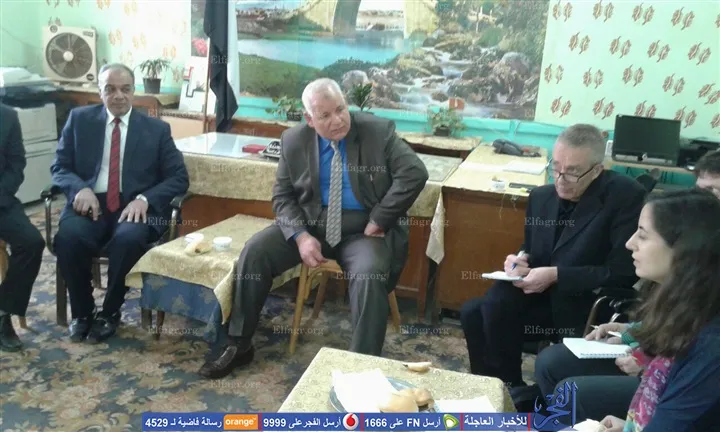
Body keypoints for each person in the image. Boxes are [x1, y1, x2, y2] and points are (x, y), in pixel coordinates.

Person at [197, 78, 429, 379]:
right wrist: (301, 236)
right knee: (255, 251)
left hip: (363, 231)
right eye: (325, 115)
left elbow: (414, 172)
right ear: (309, 119)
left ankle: (362, 365)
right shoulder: (294, 140)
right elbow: (282, 197)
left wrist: (380, 218)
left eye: (341, 109)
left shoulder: (377, 131)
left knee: (369, 273)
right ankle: (238, 343)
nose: (338, 120)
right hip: (311, 224)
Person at [460, 124, 646, 391]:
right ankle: (500, 388)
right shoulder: (541, 197)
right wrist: (519, 261)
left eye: (572, 172)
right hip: (543, 296)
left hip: (585, 303)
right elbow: (532, 248)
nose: (560, 179)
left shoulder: (624, 197)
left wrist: (557, 275)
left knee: (491, 309)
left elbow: (622, 272)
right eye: (555, 168)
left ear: (596, 170)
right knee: (473, 311)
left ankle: (510, 390)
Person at [51, 63, 189, 344]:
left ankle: (110, 312)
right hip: (90, 203)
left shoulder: (156, 129)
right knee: (68, 238)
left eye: (125, 89)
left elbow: (178, 178)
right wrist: (80, 188)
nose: (118, 96)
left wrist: (145, 199)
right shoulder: (79, 120)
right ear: (99, 92)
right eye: (110, 89)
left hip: (133, 206)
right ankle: (83, 313)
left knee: (129, 240)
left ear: (133, 91)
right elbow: (60, 167)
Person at [587, 189, 720, 431]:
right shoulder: (684, 307)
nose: (629, 244)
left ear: (685, 249)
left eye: (643, 235)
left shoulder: (710, 343)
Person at [0, 103, 45, 351]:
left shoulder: (7, 116)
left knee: (31, 242)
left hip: (1, 200)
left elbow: (16, 164)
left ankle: (3, 313)